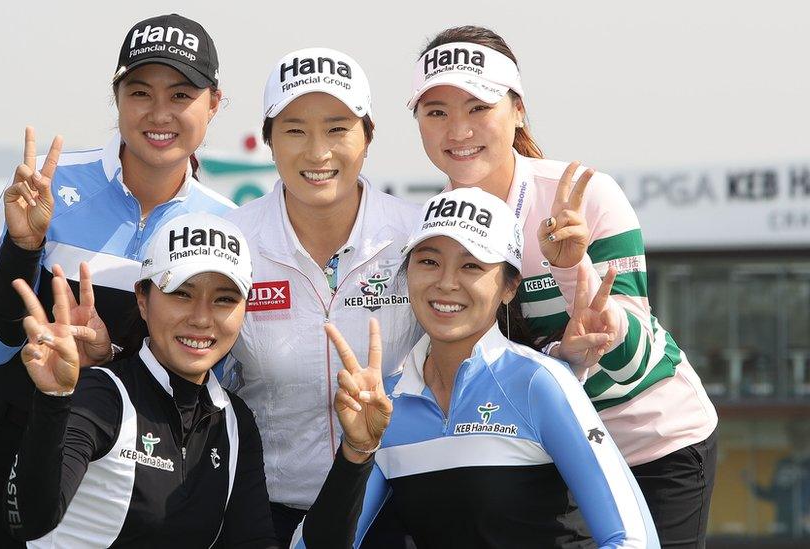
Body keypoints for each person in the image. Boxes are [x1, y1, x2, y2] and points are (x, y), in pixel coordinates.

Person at [405, 26, 718, 547]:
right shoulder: (432, 226)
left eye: (478, 107)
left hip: (654, 445)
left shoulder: (583, 195)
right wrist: (561, 354)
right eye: (436, 112)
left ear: (518, 109)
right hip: (545, 453)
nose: (457, 130)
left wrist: (581, 285)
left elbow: (631, 360)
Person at [0, 14, 235, 548]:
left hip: (117, 469)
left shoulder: (225, 223)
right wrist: (23, 246)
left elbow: (210, 369)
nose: (159, 113)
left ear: (213, 103)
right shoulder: (48, 186)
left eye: (181, 94)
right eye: (140, 91)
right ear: (116, 98)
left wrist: (112, 354)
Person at [294, 187, 659, 548]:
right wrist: (356, 453)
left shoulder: (539, 382)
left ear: (509, 287)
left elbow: (633, 538)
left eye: (472, 265)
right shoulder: (385, 403)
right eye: (429, 261)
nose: (447, 282)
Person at [3, 212, 383, 548]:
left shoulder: (234, 420)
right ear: (142, 299)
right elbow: (29, 521)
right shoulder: (101, 393)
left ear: (244, 310)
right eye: (181, 294)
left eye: (223, 299)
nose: (201, 318)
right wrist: (54, 397)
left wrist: (355, 453)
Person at [222, 47, 422, 545]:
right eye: (294, 130)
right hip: (270, 513)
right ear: (268, 140)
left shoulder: (420, 237)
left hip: (403, 511)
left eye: (337, 128)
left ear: (368, 136)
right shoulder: (230, 244)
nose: (317, 152)